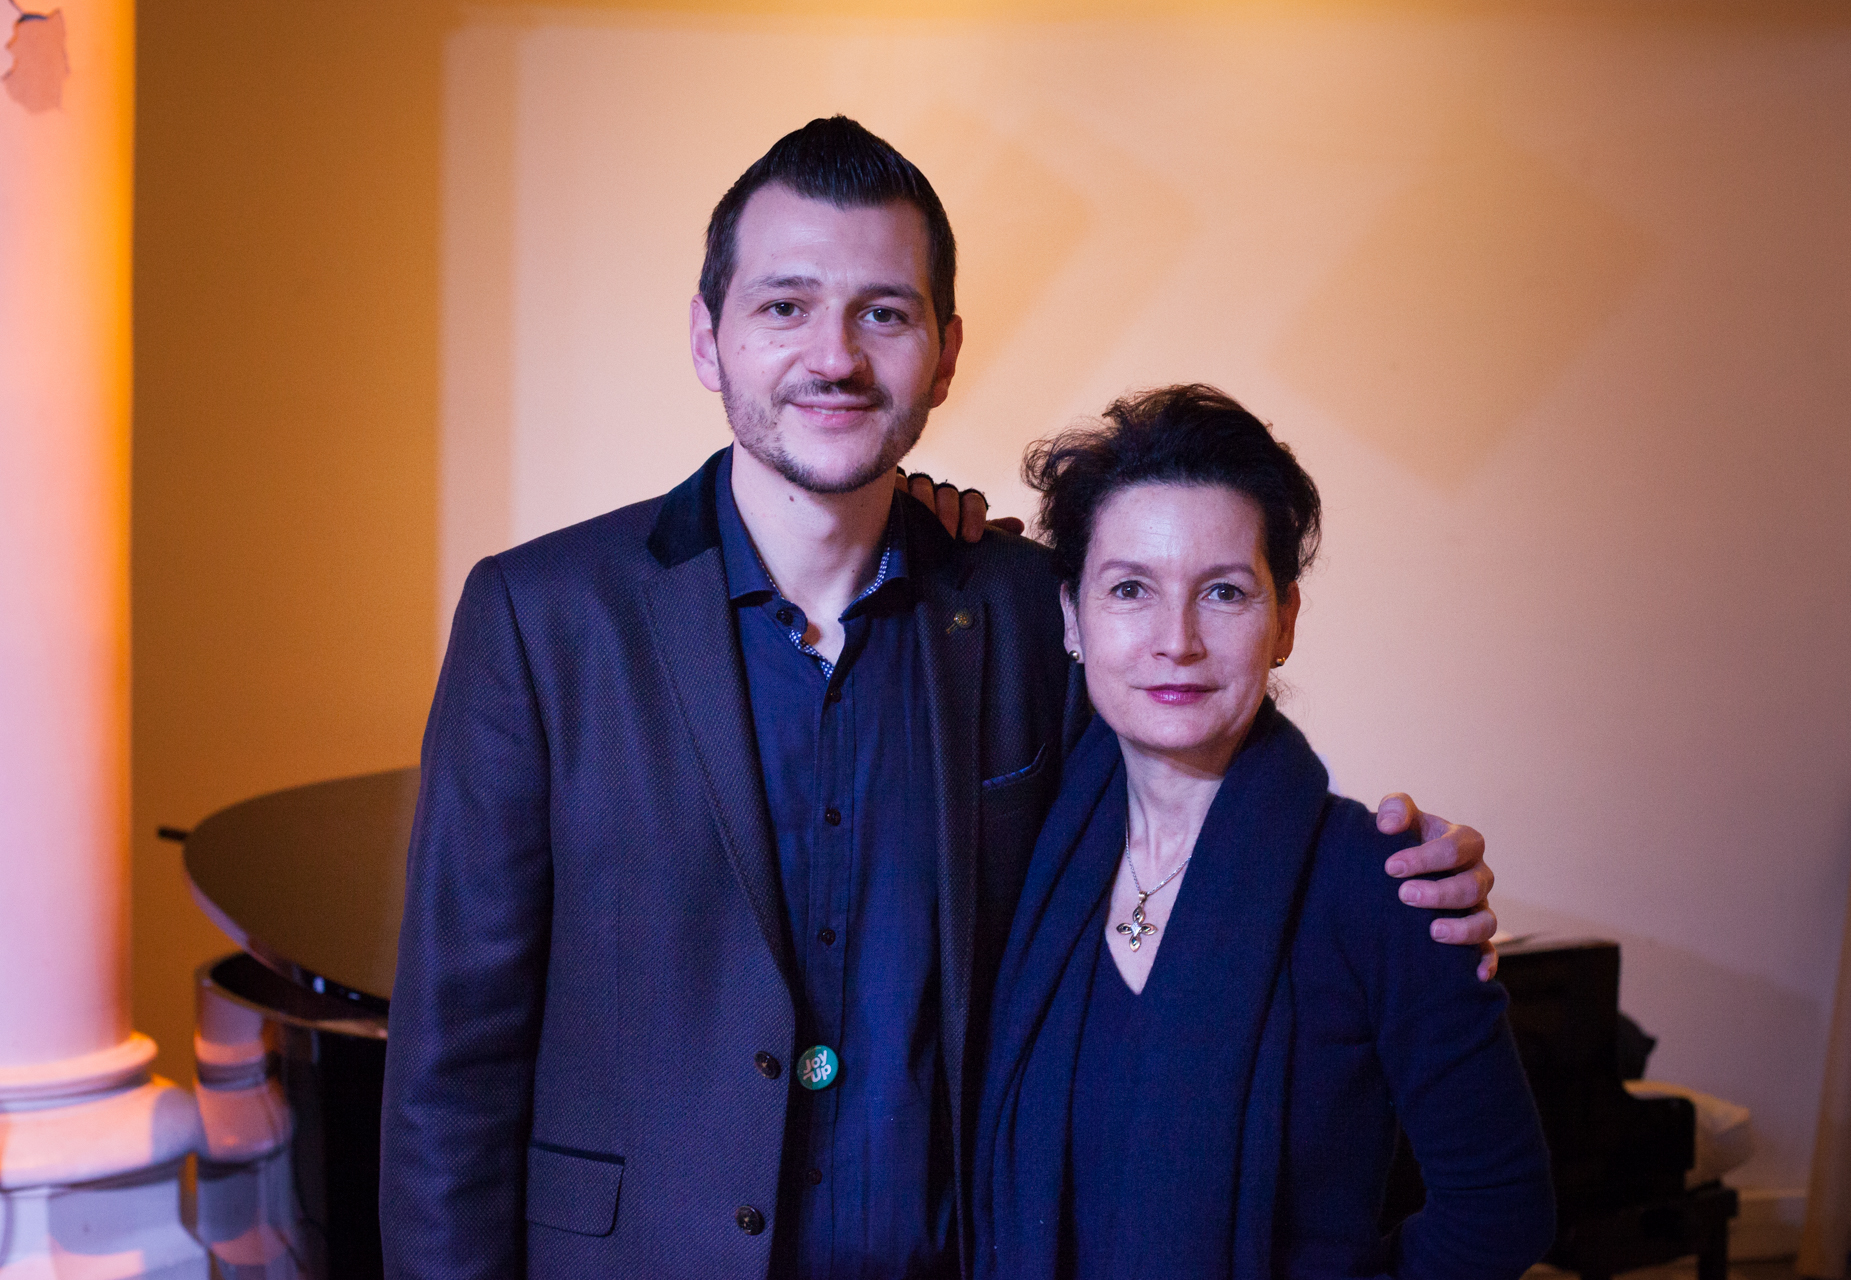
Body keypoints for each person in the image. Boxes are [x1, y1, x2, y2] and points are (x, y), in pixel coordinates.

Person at [379, 117, 1501, 1280]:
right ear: (709, 338)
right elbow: (452, 1062)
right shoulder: (540, 616)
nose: (835, 356)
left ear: (945, 353)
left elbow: (1194, 778)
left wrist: (1391, 875)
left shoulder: (1027, 608)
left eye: (884, 313)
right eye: (785, 306)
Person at [976, 385, 1556, 1279]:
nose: (1176, 640)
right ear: (1072, 619)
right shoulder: (1034, 856)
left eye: (1224, 592)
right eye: (1129, 589)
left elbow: (1503, 1209)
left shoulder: (1380, 883)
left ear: (1284, 620)